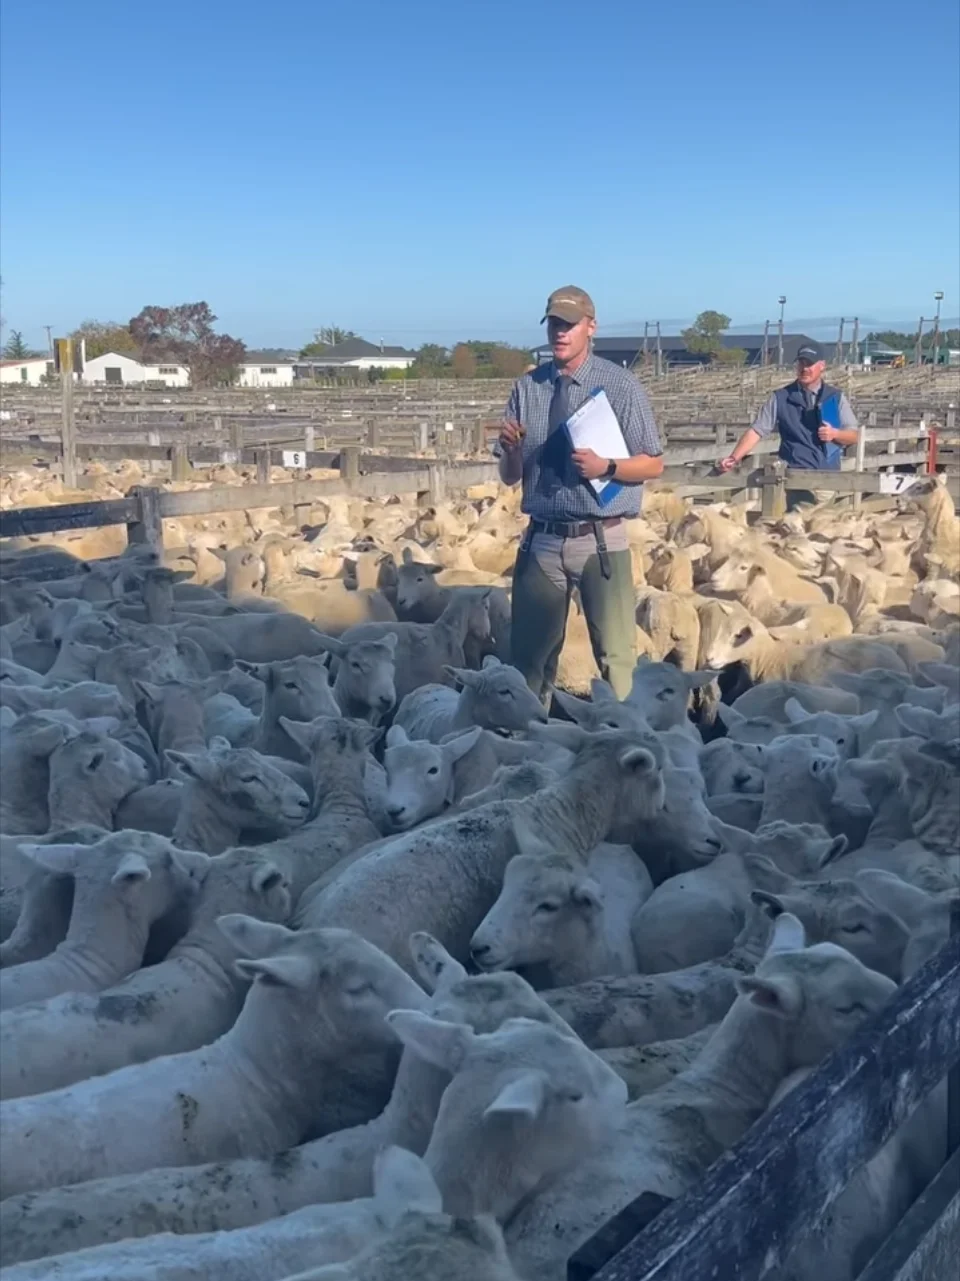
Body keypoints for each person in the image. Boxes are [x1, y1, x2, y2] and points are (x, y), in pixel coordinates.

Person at [495, 286, 663, 701]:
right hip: (543, 540)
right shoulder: (527, 388)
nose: (560, 333)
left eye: (569, 325)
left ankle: (627, 747)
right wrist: (512, 451)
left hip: (601, 539)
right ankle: (530, 747)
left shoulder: (620, 386)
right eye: (554, 324)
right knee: (529, 660)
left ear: (591, 327)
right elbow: (510, 476)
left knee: (617, 657)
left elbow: (653, 463)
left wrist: (608, 467)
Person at [717, 340, 860, 509]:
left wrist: (835, 434)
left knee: (823, 526)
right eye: (801, 363)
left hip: (826, 475)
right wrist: (734, 458)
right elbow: (757, 430)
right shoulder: (781, 397)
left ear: (822, 366)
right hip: (795, 474)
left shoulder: (834, 398)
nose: (804, 368)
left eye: (809, 364)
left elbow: (854, 435)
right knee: (799, 521)